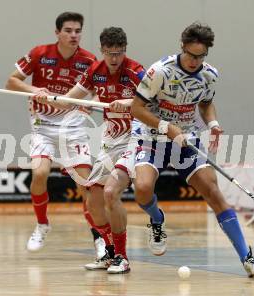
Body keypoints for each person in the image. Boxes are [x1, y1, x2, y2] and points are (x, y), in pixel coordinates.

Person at [130, 22, 254, 277]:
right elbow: (136, 109)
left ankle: (248, 258)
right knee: (142, 188)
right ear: (182, 47)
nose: (195, 61)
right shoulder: (160, 71)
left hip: (187, 139)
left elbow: (205, 104)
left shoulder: (209, 74)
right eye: (192, 55)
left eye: (201, 56)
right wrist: (168, 128)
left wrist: (213, 123)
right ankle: (157, 219)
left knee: (213, 191)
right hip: (152, 137)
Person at [5, 12, 105, 258]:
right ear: (57, 32)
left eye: (78, 31)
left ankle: (100, 239)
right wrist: (33, 89)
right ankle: (42, 225)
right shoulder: (40, 53)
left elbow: (99, 92)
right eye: (68, 30)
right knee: (39, 173)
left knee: (85, 186)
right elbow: (11, 82)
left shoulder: (89, 60)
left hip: (74, 127)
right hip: (43, 125)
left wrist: (90, 104)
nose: (74, 35)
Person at [62, 27, 145, 274]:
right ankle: (109, 253)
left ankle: (122, 257)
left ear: (125, 50)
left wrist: (130, 102)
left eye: (118, 53)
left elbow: (153, 101)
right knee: (93, 200)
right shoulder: (94, 71)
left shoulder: (136, 71)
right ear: (102, 51)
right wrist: (52, 98)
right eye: (109, 53)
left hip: (135, 140)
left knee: (110, 193)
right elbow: (73, 97)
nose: (114, 59)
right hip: (110, 142)